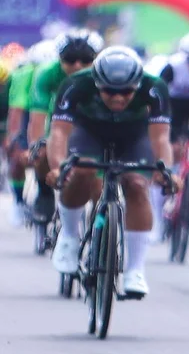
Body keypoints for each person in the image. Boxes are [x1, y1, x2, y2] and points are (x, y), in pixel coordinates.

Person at [46, 47, 173, 296]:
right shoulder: (76, 83)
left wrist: (166, 169)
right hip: (89, 134)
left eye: (126, 92)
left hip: (133, 137)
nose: (117, 98)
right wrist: (58, 167)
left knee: (137, 185)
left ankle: (135, 270)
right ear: (96, 83)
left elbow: (161, 138)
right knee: (80, 170)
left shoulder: (154, 87)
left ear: (137, 85)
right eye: (109, 91)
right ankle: (69, 237)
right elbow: (59, 132)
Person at [28, 29, 104, 224]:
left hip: (92, 126)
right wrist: (35, 146)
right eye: (70, 59)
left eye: (85, 60)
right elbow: (37, 117)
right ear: (59, 58)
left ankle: (100, 224)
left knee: (98, 184)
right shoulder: (46, 73)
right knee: (42, 151)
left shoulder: (104, 74)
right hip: (59, 124)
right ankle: (44, 193)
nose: (77, 65)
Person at [5, 40, 57, 225]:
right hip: (30, 113)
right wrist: (13, 139)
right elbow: (17, 111)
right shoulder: (23, 75)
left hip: (56, 113)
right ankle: (19, 201)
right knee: (19, 157)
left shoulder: (61, 73)